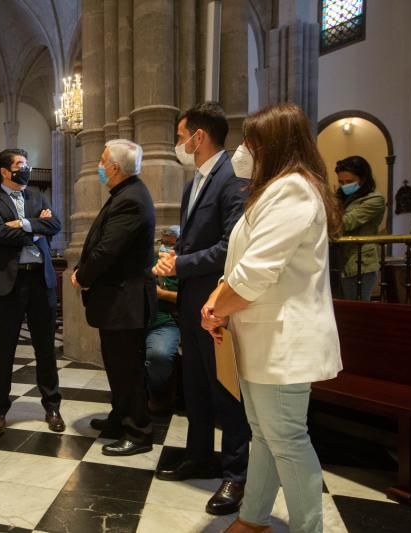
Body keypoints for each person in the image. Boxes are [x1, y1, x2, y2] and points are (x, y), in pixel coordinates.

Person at [202, 102, 343, 533]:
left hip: (283, 340)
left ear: (275, 145)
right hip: (261, 335)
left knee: (287, 439)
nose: (243, 151)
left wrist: (216, 307)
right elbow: (238, 263)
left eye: (251, 143)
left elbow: (258, 271)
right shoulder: (273, 190)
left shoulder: (294, 189)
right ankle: (254, 518)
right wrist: (217, 300)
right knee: (264, 436)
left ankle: (308, 528)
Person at [153, 102, 251, 515]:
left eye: (181, 135)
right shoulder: (195, 180)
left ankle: (235, 474)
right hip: (191, 300)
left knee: (225, 389)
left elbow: (231, 246)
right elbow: (195, 238)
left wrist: (182, 262)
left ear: (200, 136)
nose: (179, 143)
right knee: (194, 384)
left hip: (218, 302)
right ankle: (198, 455)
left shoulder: (233, 180)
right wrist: (171, 254)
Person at [71, 139, 156, 456]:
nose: (99, 165)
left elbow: (109, 249)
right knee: (117, 367)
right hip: (118, 301)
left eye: (103, 160)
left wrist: (82, 276)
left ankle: (138, 432)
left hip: (126, 300)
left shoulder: (131, 199)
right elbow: (102, 244)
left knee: (129, 369)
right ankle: (120, 419)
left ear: (116, 168)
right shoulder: (124, 194)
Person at [0, 148, 64, 435]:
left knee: (45, 348)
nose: (25, 169)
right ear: (4, 171)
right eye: (20, 165)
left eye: (26, 164)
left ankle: (52, 406)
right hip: (8, 283)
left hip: (41, 281)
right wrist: (39, 228)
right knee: (4, 350)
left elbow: (56, 224)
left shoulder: (37, 197)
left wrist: (26, 224)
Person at [335, 155, 385, 300]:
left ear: (363, 179)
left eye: (349, 182)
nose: (344, 186)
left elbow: (346, 222)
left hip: (360, 262)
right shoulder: (342, 197)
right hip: (341, 260)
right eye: (341, 182)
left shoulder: (374, 199)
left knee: (357, 309)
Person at [145, 225, 181, 414]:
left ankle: (159, 393)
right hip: (141, 319)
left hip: (166, 320)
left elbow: (189, 297)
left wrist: (162, 294)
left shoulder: (183, 265)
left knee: (158, 355)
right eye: (163, 243)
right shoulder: (150, 260)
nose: (165, 247)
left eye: (170, 244)